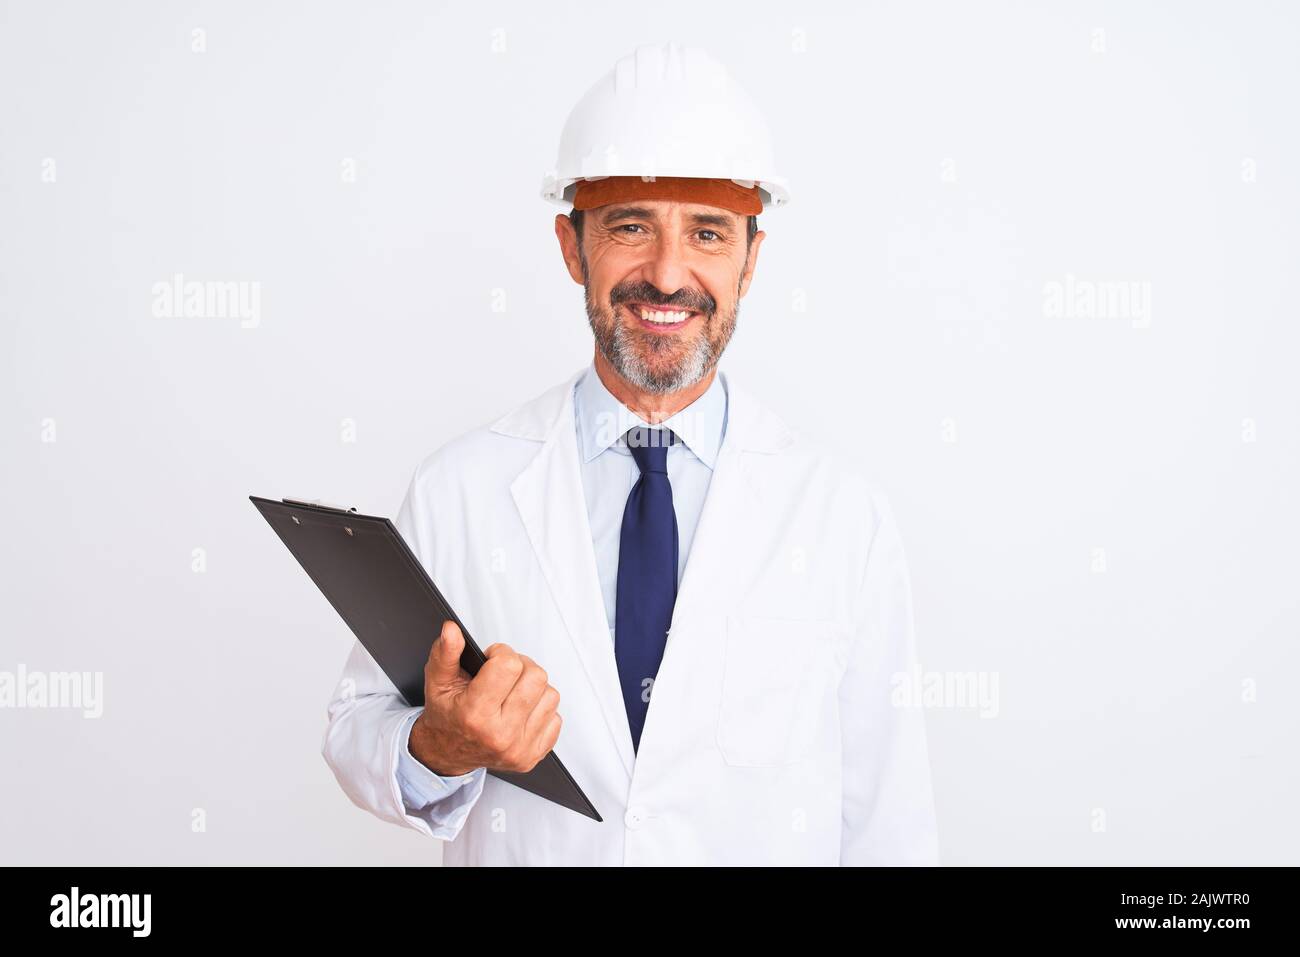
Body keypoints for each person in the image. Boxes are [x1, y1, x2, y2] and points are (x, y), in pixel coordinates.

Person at [322, 41, 939, 866]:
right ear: (572, 246)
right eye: (630, 227)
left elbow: (888, 824)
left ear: (752, 260)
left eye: (709, 233)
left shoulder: (840, 516)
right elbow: (356, 725)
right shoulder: (459, 490)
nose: (668, 273)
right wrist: (441, 744)